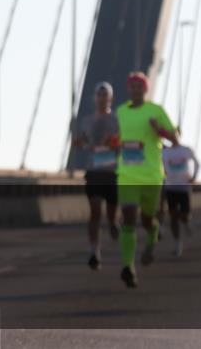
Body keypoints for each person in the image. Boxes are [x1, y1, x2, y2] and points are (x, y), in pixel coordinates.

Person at [114, 71, 179, 288]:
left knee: (147, 220)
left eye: (139, 87)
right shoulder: (120, 112)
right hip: (127, 175)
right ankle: (128, 267)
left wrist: (159, 130)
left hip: (151, 175)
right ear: (128, 89)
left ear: (146, 89)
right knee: (129, 217)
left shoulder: (156, 111)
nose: (135, 90)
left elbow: (175, 139)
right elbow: (116, 139)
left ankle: (152, 236)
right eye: (132, 86)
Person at [73, 81, 121, 270]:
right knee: (95, 212)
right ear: (95, 98)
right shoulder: (86, 121)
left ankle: (113, 223)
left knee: (109, 214)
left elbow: (123, 142)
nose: (102, 98)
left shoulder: (117, 120)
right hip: (93, 171)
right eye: (99, 95)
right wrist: (79, 143)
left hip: (111, 172)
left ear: (111, 98)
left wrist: (114, 143)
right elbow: (82, 141)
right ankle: (95, 252)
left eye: (105, 95)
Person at [161, 133, 200, 257]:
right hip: (170, 186)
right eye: (170, 135)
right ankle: (177, 244)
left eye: (174, 135)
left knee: (184, 215)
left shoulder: (186, 150)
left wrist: (194, 177)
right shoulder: (165, 152)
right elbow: (159, 165)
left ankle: (187, 222)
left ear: (179, 135)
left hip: (184, 187)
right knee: (173, 216)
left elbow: (197, 163)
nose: (172, 137)